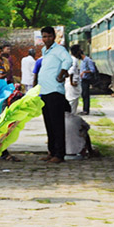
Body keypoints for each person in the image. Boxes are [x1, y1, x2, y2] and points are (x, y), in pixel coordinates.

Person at [38, 26, 72, 164]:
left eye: (49, 36)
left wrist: (61, 72)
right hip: (44, 91)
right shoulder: (44, 51)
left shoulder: (59, 49)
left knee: (57, 124)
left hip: (55, 91)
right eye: (44, 36)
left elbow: (68, 61)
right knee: (48, 123)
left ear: (54, 37)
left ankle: (59, 154)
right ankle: (51, 151)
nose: (47, 39)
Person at [78, 48, 97, 115]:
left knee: (86, 95)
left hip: (86, 79)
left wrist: (84, 72)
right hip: (82, 79)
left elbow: (92, 70)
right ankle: (84, 109)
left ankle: (86, 110)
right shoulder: (82, 61)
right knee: (83, 94)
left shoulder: (88, 60)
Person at [66, 45, 83, 114]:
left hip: (69, 83)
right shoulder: (74, 60)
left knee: (71, 102)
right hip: (72, 84)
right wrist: (72, 82)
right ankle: (70, 120)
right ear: (78, 51)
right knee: (73, 103)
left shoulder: (70, 59)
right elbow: (71, 72)